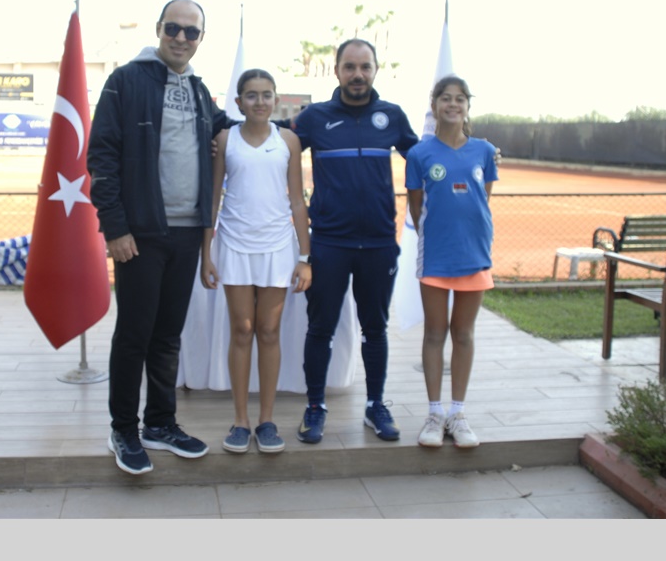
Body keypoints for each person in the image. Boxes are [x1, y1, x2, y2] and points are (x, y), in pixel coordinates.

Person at [87, 0, 235, 475]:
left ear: (200, 39)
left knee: (168, 336)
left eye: (191, 32)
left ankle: (160, 423)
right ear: (158, 29)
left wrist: (287, 131)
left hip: (188, 232)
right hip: (140, 233)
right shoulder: (125, 81)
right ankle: (123, 430)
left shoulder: (199, 90)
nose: (181, 38)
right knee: (134, 335)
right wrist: (115, 227)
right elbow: (102, 156)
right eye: (174, 28)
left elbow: (231, 132)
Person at [289, 38, 419, 444]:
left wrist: (471, 151)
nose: (357, 74)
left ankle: (375, 404)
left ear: (376, 70)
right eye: (350, 67)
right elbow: (273, 140)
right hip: (329, 243)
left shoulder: (392, 116)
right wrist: (223, 135)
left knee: (375, 329)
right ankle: (315, 406)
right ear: (337, 71)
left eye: (365, 67)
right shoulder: (315, 118)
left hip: (379, 243)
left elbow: (425, 156)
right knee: (320, 329)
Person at [200, 69, 312, 455]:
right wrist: (206, 253)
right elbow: (213, 199)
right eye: (251, 95)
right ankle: (239, 421)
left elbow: (297, 200)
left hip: (278, 249)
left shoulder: (289, 141)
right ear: (238, 102)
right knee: (241, 330)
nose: (260, 102)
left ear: (276, 99)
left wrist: (304, 257)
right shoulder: (225, 140)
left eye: (266, 95)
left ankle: (266, 420)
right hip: (233, 246)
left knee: (268, 331)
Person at [405, 74, 498, 449]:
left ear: (468, 106)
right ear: (434, 105)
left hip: (474, 254)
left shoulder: (484, 151)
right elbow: (416, 207)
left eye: (460, 99)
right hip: (436, 257)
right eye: (446, 98)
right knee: (434, 333)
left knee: (464, 334)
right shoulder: (419, 154)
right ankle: (434, 414)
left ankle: (458, 413)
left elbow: (482, 200)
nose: (453, 104)